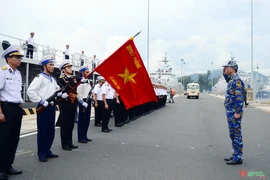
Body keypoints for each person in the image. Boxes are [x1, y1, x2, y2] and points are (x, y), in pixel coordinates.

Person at [27, 56, 60, 162]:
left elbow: (56, 89)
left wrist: (61, 93)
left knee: (51, 130)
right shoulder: (39, 77)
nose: (52, 67)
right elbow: (30, 91)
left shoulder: (52, 79)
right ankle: (41, 153)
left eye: (53, 64)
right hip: (43, 107)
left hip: (51, 106)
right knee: (43, 131)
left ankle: (47, 150)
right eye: (50, 65)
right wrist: (41, 101)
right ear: (44, 66)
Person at [0, 44, 24, 180]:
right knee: (3, 139)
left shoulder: (18, 73)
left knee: (14, 138)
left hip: (17, 108)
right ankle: (1, 168)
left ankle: (9, 165)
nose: (20, 59)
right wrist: (0, 112)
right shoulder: (2, 71)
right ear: (9, 58)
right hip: (6, 108)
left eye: (20, 57)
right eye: (17, 57)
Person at [57, 61, 87, 151]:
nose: (70, 68)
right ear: (63, 70)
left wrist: (82, 80)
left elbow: (79, 80)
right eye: (68, 67)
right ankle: (65, 144)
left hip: (73, 102)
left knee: (71, 124)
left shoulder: (74, 78)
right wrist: (61, 94)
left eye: (70, 67)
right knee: (65, 124)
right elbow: (59, 89)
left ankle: (70, 142)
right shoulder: (61, 79)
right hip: (65, 103)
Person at [222, 60, 245, 165]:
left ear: (233, 68)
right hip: (230, 111)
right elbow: (226, 77)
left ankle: (238, 157)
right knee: (232, 134)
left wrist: (238, 112)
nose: (226, 68)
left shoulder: (237, 81)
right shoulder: (231, 80)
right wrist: (224, 72)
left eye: (228, 67)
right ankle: (235, 154)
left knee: (236, 134)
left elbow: (239, 98)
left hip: (234, 112)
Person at [77, 66, 92, 143]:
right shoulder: (80, 82)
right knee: (82, 120)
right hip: (83, 101)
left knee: (87, 120)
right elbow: (78, 93)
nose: (88, 73)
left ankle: (85, 135)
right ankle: (80, 137)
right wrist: (81, 102)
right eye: (86, 72)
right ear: (82, 73)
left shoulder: (88, 81)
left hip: (88, 101)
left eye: (88, 72)